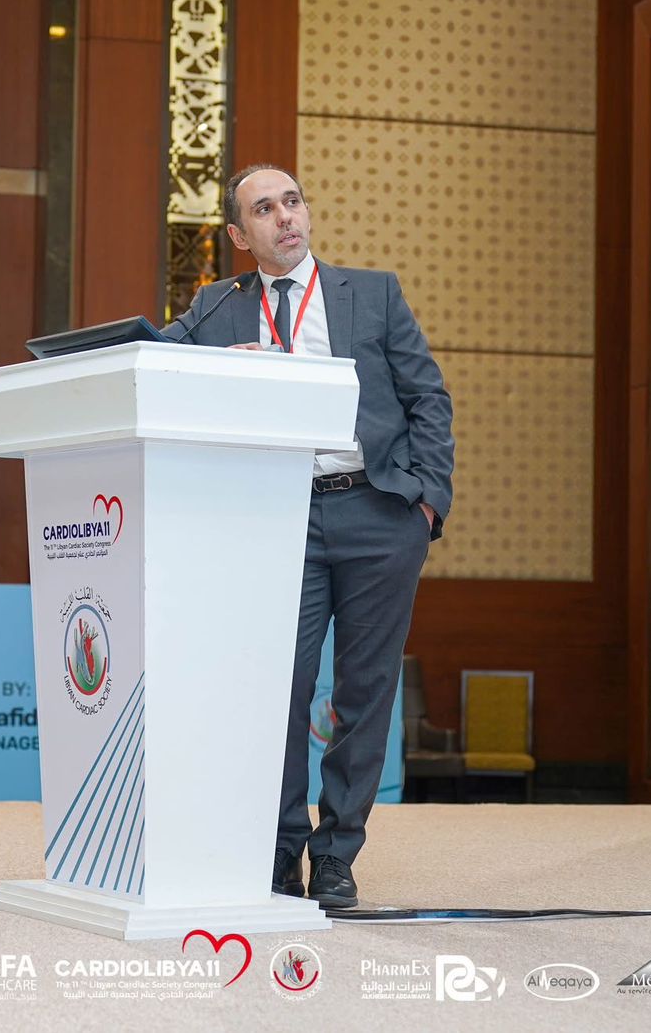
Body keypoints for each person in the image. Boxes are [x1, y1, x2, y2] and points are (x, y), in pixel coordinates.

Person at [162, 165, 455, 909]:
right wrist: (207, 363)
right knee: (276, 693)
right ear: (240, 236)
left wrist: (428, 499)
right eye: (264, 209)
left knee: (364, 693)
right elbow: (153, 363)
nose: (285, 216)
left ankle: (336, 856)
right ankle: (278, 849)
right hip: (277, 519)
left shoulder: (373, 292)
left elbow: (428, 396)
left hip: (377, 511)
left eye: (292, 201)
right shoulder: (217, 307)